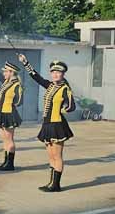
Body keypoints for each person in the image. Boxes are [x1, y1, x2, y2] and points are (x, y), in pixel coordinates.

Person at [19, 55, 75, 193]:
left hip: (57, 124)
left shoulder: (65, 89)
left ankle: (56, 185)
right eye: (53, 72)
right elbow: (36, 77)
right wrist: (26, 63)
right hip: (47, 124)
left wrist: (65, 108)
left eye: (58, 72)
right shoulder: (50, 86)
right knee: (50, 156)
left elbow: (71, 106)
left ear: (63, 74)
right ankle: (51, 182)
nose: (55, 74)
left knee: (57, 156)